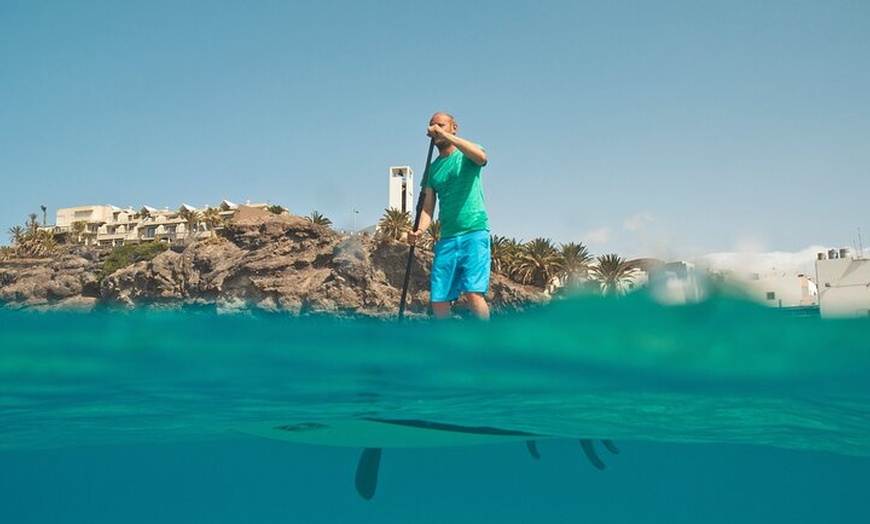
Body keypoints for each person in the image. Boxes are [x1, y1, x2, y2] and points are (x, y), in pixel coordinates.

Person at [407, 112, 491, 320]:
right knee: (438, 300)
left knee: (473, 293)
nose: (436, 128)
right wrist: (419, 230)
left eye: (441, 125)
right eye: (432, 126)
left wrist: (445, 135)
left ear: (454, 128)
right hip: (447, 239)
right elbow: (427, 208)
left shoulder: (467, 153)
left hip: (474, 232)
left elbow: (482, 158)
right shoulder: (432, 169)